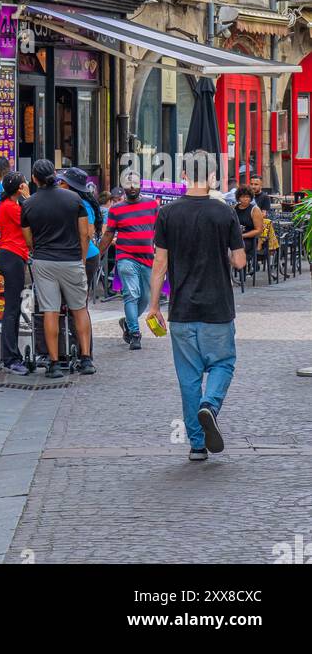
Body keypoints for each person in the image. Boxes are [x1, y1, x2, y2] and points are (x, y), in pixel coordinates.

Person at [148, 151, 246, 462]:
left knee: (188, 377)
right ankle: (211, 405)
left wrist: (153, 307)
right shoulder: (225, 212)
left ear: (185, 177)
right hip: (218, 307)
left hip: (182, 310)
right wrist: (227, 253)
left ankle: (196, 444)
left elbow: (159, 263)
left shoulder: (167, 214)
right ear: (213, 177)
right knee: (222, 364)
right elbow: (240, 261)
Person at [19, 158, 95, 378]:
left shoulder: (29, 204)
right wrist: (80, 258)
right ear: (55, 174)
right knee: (79, 308)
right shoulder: (74, 199)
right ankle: (86, 358)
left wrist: (40, 249)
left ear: (34, 178)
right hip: (71, 259)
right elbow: (85, 234)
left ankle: (53, 363)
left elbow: (28, 240)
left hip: (44, 261)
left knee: (49, 311)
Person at [99, 168, 158, 351]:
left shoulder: (152, 205)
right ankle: (134, 333)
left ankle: (127, 321)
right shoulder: (116, 210)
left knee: (145, 297)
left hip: (148, 257)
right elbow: (109, 234)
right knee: (131, 294)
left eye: (135, 183)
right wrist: (98, 254)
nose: (132, 187)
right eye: (128, 183)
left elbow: (160, 229)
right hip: (126, 257)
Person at [0, 172, 30, 374]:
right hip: (12, 256)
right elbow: (30, 219)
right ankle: (10, 357)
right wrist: (28, 197)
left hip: (13, 255)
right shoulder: (11, 207)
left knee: (14, 308)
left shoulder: (10, 206)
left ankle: (11, 354)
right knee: (12, 309)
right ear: (19, 188)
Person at [57, 167, 102, 302]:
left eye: (62, 182)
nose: (59, 185)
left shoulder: (83, 204)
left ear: (71, 186)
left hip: (85, 258)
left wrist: (81, 263)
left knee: (78, 303)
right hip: (74, 257)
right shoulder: (69, 201)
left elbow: (87, 234)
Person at [234, 186, 264, 265]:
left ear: (251, 198)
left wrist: (243, 235)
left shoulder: (255, 210)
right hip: (236, 238)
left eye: (247, 197)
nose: (245, 199)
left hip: (250, 240)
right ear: (238, 198)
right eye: (242, 197)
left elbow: (258, 230)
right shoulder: (234, 209)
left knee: (238, 248)